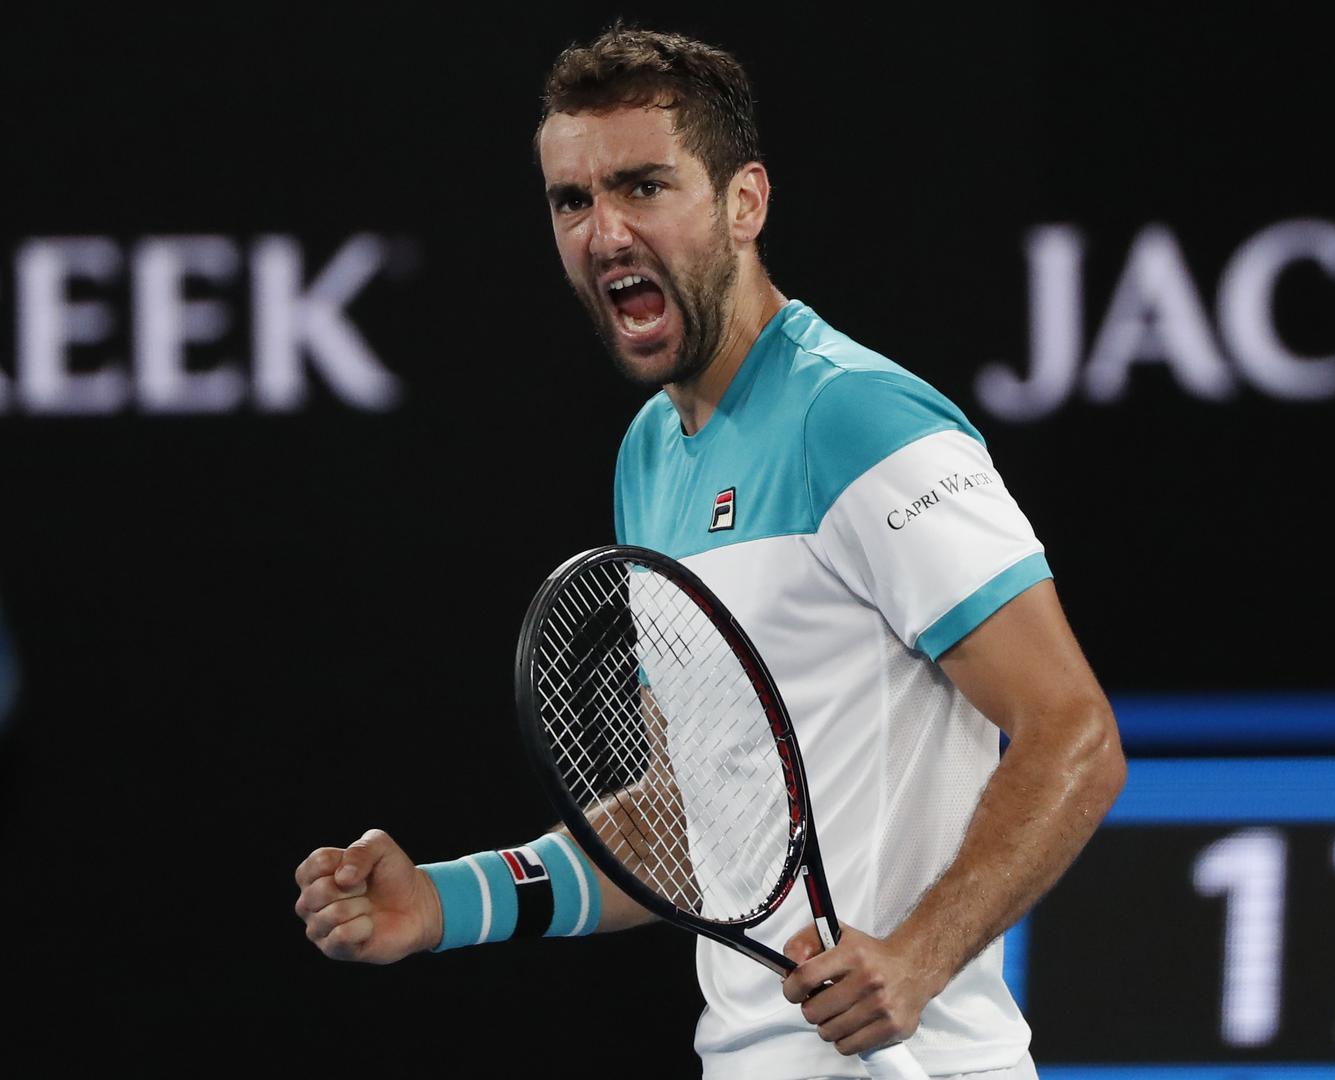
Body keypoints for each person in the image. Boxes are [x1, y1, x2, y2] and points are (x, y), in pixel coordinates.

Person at [294, 25, 1125, 1080]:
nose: (604, 233)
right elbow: (690, 826)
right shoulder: (649, 457)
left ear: (745, 203)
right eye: (571, 200)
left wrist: (918, 956)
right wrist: (447, 902)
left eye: (643, 187)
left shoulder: (856, 419)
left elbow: (1073, 734)